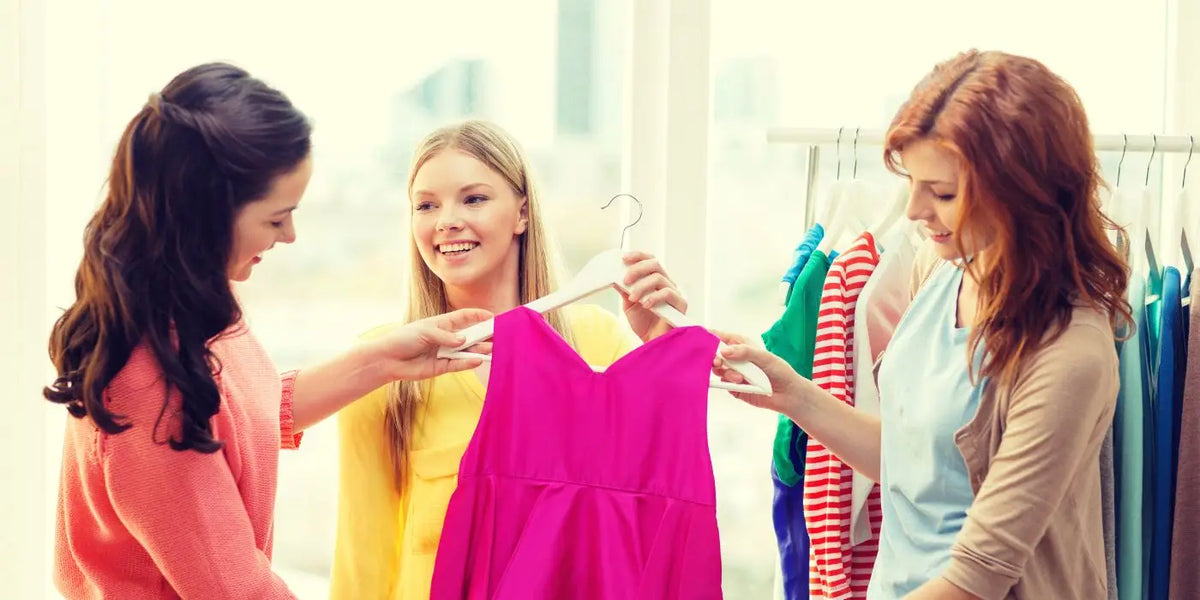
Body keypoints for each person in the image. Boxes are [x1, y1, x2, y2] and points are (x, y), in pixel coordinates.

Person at [44, 63, 490, 600]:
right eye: (277, 218)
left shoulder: (190, 305)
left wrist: (384, 360)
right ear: (206, 215)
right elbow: (237, 589)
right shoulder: (147, 387)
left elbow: (237, 419)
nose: (291, 235)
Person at [716, 50, 1129, 599]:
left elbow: (977, 572)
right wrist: (791, 394)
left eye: (943, 193)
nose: (912, 210)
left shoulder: (1069, 354)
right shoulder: (939, 272)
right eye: (912, 182)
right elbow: (914, 459)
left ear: (1022, 193)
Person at [330, 119, 687, 599]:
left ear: (522, 213)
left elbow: (655, 509)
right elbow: (362, 563)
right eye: (426, 205)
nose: (446, 220)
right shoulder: (383, 364)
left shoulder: (597, 345)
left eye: (473, 198)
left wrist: (660, 351)